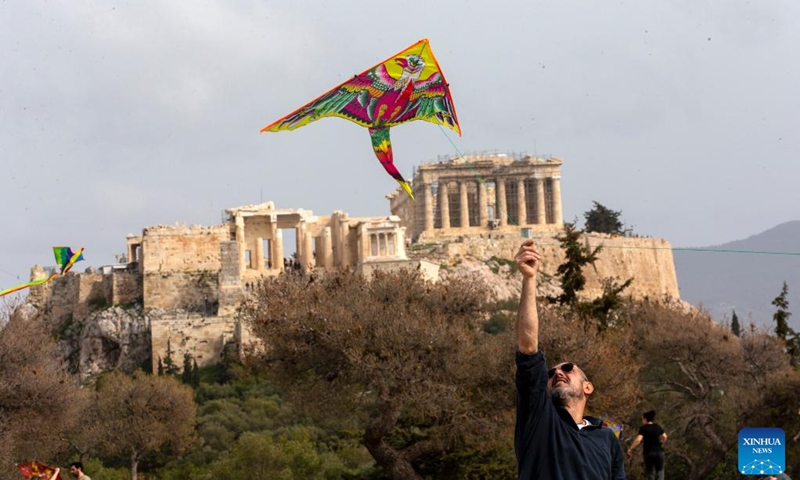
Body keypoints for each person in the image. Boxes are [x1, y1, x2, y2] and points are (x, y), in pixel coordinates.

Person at [514, 240, 626, 480]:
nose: (558, 373)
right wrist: (529, 279)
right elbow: (528, 346)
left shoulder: (606, 438)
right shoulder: (539, 419)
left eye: (567, 368)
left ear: (588, 387)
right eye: (551, 374)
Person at [627, 410, 667, 480]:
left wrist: (631, 448)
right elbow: (665, 436)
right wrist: (662, 443)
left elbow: (638, 440)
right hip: (659, 451)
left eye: (642, 419)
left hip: (648, 452)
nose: (642, 421)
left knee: (650, 472)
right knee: (660, 471)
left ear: (645, 419)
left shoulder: (643, 428)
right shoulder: (657, 426)